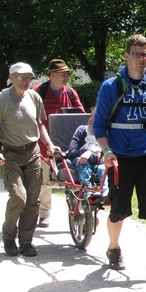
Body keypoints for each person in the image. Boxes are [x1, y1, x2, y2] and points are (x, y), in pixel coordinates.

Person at [92, 34, 146, 286]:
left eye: (145, 54)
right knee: (118, 211)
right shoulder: (111, 87)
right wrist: (106, 152)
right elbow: (99, 126)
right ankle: (113, 247)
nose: (142, 59)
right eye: (137, 54)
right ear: (126, 56)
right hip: (119, 159)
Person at [0, 62, 60, 257]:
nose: (26, 81)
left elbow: (40, 125)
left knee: (33, 201)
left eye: (29, 78)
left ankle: (26, 241)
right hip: (11, 154)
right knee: (19, 197)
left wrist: (49, 144)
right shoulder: (2, 99)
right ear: (11, 77)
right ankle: (9, 237)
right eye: (21, 77)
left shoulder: (34, 97)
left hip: (33, 152)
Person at [32, 59, 85, 228]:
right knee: (44, 182)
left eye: (67, 74)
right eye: (63, 74)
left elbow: (81, 117)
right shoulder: (38, 92)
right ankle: (44, 215)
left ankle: (80, 211)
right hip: (43, 147)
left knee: (75, 179)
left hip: (68, 146)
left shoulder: (70, 93)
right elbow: (32, 119)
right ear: (52, 75)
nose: (67, 77)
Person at [66, 106, 109, 199]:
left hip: (99, 163)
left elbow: (105, 156)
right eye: (91, 116)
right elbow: (72, 152)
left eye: (96, 117)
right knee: (82, 163)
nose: (91, 119)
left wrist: (92, 154)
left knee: (103, 168)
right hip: (81, 161)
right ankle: (87, 192)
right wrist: (88, 152)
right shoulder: (82, 130)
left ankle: (105, 194)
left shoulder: (107, 135)